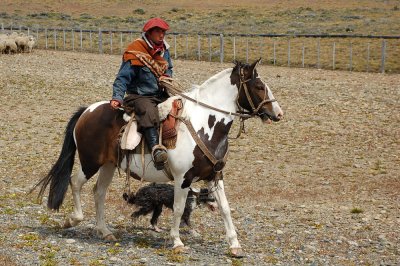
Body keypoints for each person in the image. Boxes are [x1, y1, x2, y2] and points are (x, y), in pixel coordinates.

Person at [110, 17, 173, 170]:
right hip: (138, 96)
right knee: (147, 109)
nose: (161, 35)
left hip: (159, 94)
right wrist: (117, 97)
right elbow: (123, 77)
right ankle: (155, 149)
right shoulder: (135, 50)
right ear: (149, 33)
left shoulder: (164, 51)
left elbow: (169, 68)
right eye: (158, 31)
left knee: (177, 105)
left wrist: (167, 77)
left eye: (163, 31)